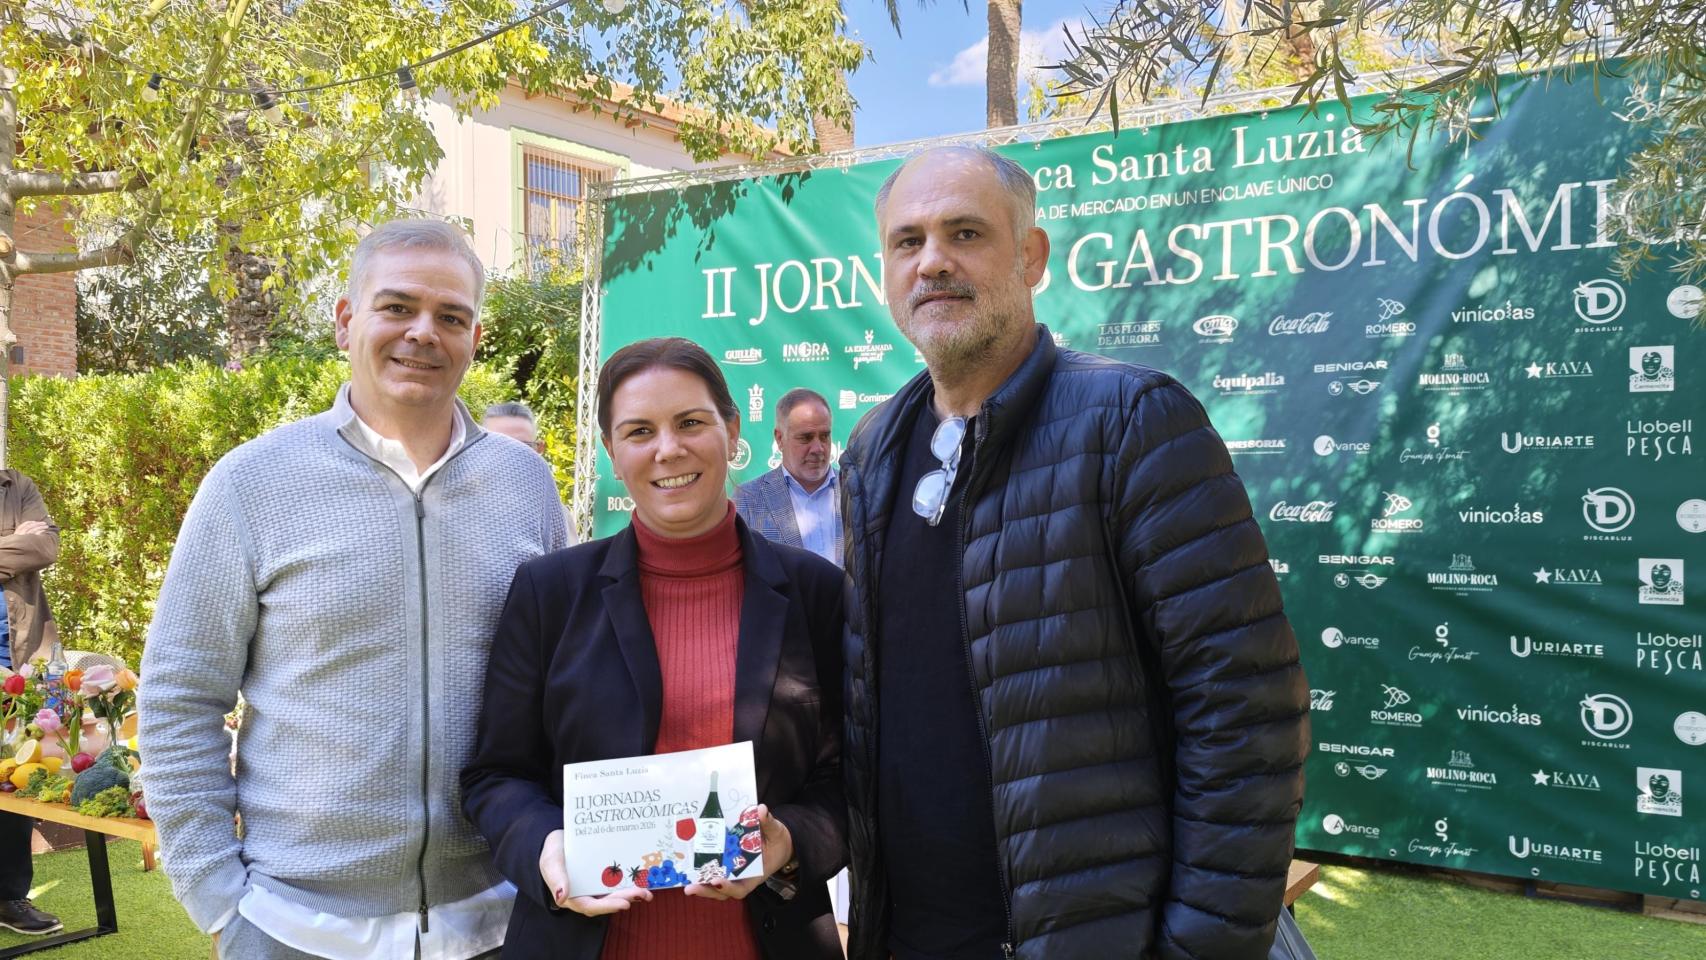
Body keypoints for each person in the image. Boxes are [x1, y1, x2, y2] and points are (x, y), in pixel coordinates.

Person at [838, 145, 1309, 960]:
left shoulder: (1132, 423)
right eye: (907, 241)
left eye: (965, 233)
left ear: (1031, 255)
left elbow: (1247, 720)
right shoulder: (873, 448)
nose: (933, 262)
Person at [140, 218, 570, 959]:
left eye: (451, 316)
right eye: (397, 307)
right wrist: (219, 898)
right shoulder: (252, 484)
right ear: (346, 321)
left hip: (494, 924)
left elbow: (566, 684)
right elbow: (181, 694)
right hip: (295, 929)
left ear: (475, 337)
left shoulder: (526, 485)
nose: (423, 333)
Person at [461, 337, 846, 960]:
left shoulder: (816, 593)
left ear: (731, 430)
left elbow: (849, 775)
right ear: (613, 453)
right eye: (639, 431)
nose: (669, 449)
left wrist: (788, 842)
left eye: (690, 423)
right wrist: (545, 847)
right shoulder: (549, 594)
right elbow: (495, 775)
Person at [0, 471, 64, 936]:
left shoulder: (15, 487)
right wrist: (10, 544)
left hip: (18, 659)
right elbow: (24, 549)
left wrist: (25, 543)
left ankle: (8, 898)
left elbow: (43, 548)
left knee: (12, 782)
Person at [734, 388, 840, 566]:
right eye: (806, 438)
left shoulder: (857, 490)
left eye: (824, 436)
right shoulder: (748, 499)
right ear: (780, 438)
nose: (818, 448)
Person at [483, 401, 578, 546]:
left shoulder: (555, 514)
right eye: (497, 444)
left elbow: (569, 565)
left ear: (538, 449)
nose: (510, 455)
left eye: (522, 447)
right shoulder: (457, 503)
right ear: (478, 446)